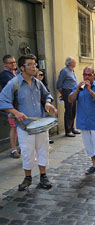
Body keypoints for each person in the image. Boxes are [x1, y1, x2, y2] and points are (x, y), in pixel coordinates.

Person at [0, 54, 57, 191]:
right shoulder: (14, 83)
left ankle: (43, 176)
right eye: (30, 64)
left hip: (41, 124)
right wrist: (16, 112)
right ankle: (28, 177)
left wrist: (48, 103)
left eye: (35, 64)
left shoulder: (38, 82)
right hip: (25, 127)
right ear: (22, 67)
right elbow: (2, 101)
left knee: (43, 150)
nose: (34, 67)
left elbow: (47, 95)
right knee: (27, 153)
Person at [68, 66, 95, 175]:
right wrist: (77, 90)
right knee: (88, 144)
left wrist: (90, 90)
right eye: (85, 74)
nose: (86, 77)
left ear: (94, 75)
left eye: (89, 75)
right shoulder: (78, 87)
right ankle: (94, 164)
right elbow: (70, 99)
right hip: (83, 121)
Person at [0, 55, 20, 158]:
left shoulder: (16, 73)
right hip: (11, 106)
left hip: (19, 104)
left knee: (21, 126)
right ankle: (13, 149)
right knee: (14, 127)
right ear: (5, 64)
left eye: (14, 62)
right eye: (11, 63)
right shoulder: (4, 75)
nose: (14, 64)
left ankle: (21, 146)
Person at [56, 56, 80, 137]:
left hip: (74, 92)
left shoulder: (72, 71)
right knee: (68, 111)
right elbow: (59, 84)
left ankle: (72, 128)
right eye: (74, 61)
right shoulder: (64, 71)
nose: (75, 63)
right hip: (68, 92)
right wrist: (63, 93)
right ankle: (68, 130)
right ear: (70, 63)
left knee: (73, 111)